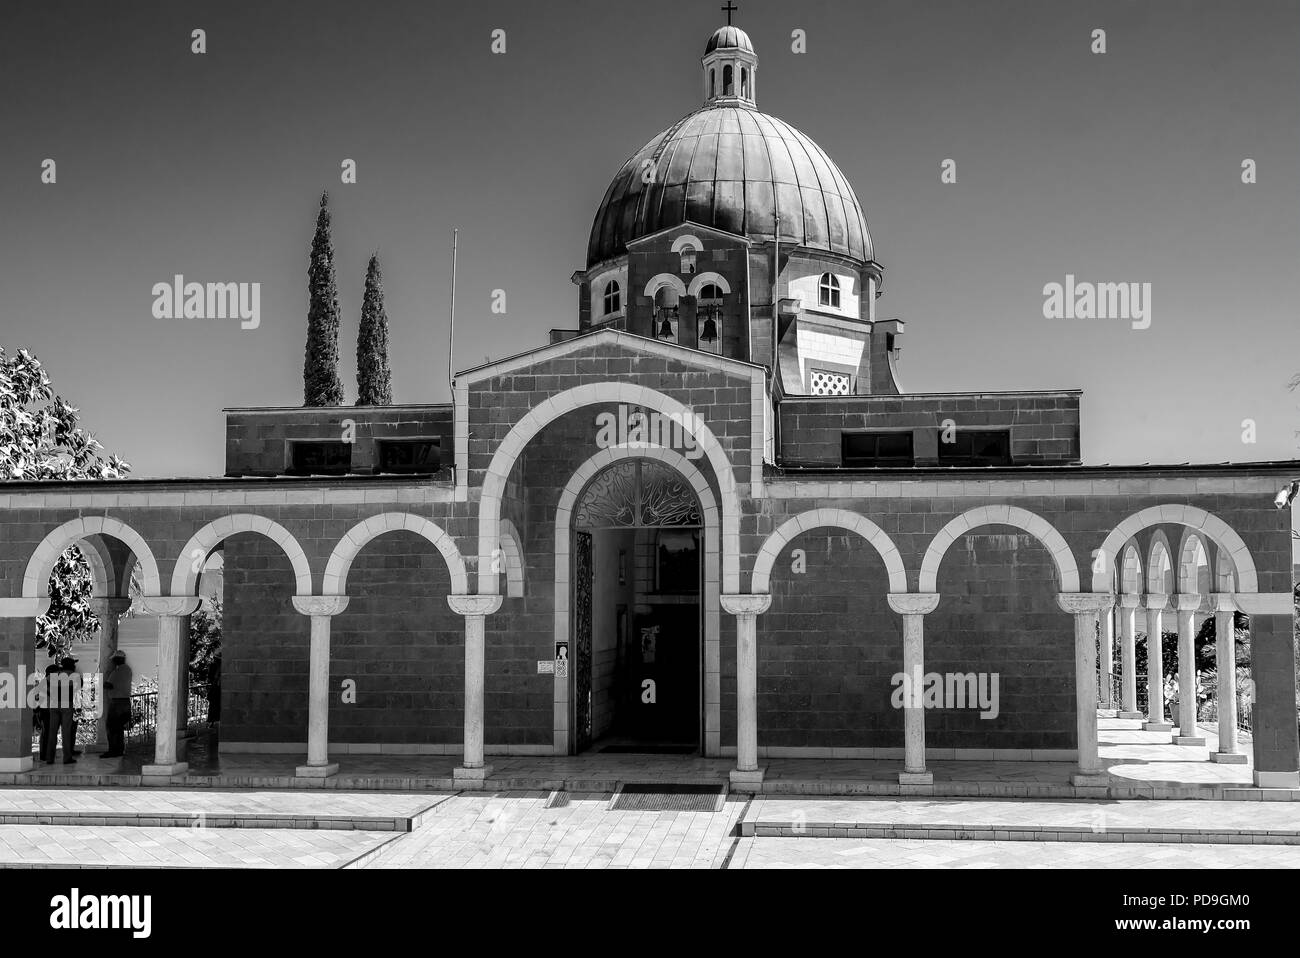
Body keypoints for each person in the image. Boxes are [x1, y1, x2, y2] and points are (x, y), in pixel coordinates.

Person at [103, 649, 133, 758]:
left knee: (111, 727)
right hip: (126, 702)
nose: (113, 661)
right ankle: (119, 750)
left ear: (117, 659)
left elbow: (107, 685)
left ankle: (113, 751)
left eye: (114, 659)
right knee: (119, 728)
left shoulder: (118, 671)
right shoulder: (128, 670)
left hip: (117, 703)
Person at [37, 663, 58, 764]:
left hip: (46, 710)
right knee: (47, 733)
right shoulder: (46, 683)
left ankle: (45, 754)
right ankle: (45, 755)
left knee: (47, 733)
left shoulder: (45, 682)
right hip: (47, 711)